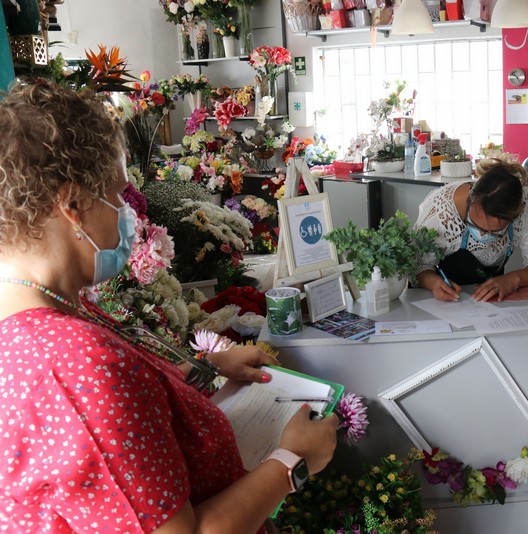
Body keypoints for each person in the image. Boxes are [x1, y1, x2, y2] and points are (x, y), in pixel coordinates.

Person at [0, 80, 338, 532]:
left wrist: (208, 369)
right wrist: (291, 462)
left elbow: (117, 424)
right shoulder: (71, 362)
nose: (128, 213)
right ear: (71, 203)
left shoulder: (51, 311)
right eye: (117, 195)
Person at [414, 156, 528, 302]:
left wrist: (513, 279)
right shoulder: (441, 212)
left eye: (494, 232)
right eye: (474, 225)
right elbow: (418, 266)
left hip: (490, 303)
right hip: (443, 301)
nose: (482, 234)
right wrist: (433, 283)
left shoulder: (524, 209)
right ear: (471, 198)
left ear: (513, 218)